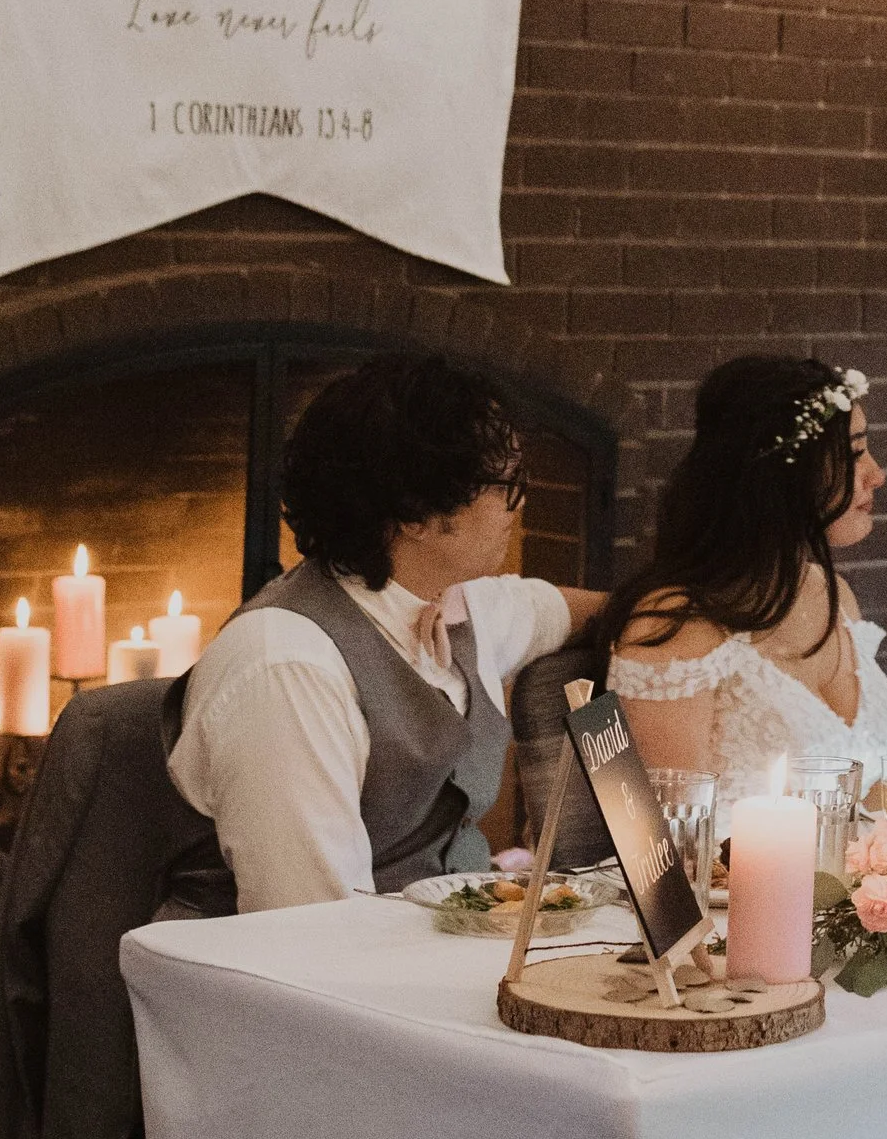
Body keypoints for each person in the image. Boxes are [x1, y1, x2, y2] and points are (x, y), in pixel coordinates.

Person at [167, 354, 604, 911]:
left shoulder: (461, 603)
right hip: (309, 956)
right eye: (504, 485)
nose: (517, 507)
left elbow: (576, 610)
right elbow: (312, 921)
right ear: (415, 514)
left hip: (437, 940)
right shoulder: (286, 667)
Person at [583, 355, 887, 790]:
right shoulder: (674, 629)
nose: (877, 475)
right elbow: (667, 828)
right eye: (855, 453)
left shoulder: (834, 596)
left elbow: (877, 792)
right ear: (781, 474)